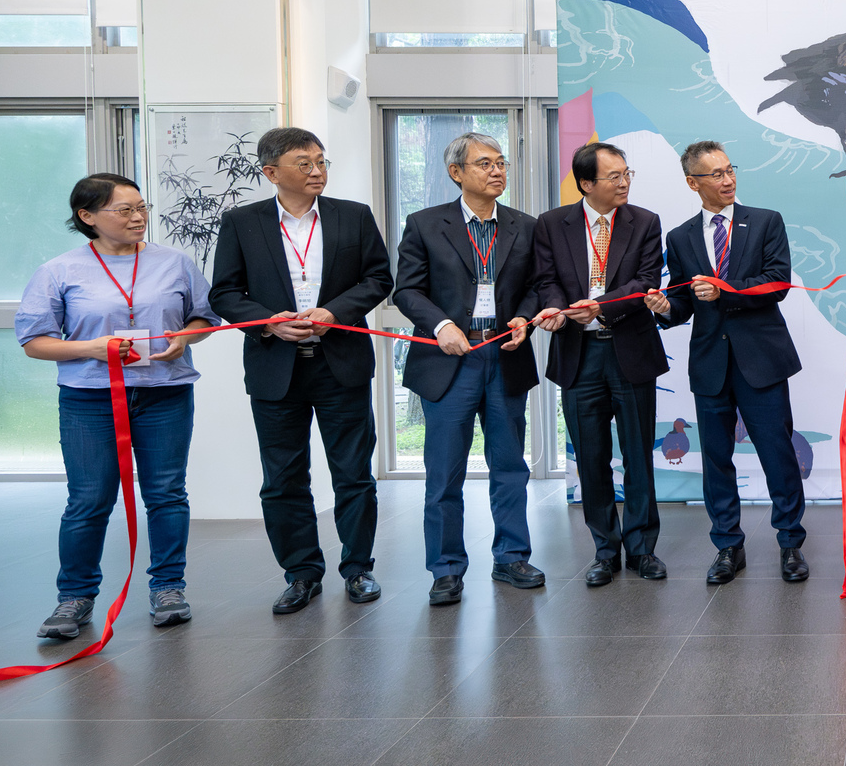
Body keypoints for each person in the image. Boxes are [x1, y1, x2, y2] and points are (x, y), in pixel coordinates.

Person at [17, 174, 215, 639]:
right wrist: (91, 348)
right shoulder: (59, 271)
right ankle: (75, 598)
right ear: (88, 218)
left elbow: (204, 315)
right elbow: (34, 342)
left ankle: (169, 588)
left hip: (164, 391)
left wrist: (186, 336)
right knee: (89, 499)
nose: (138, 217)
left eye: (141, 207)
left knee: (166, 492)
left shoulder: (175, 263)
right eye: (123, 210)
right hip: (90, 398)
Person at [211, 127, 394, 615]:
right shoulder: (242, 222)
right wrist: (265, 324)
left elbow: (379, 277)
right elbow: (224, 293)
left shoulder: (352, 216)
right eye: (304, 163)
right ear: (271, 172)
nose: (317, 171)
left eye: (321, 161)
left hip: (341, 365)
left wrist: (335, 312)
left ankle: (358, 568)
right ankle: (301, 573)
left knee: (353, 474)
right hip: (276, 368)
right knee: (283, 478)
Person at [645, 141, 809, 586]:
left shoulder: (765, 222)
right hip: (711, 364)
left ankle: (790, 542)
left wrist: (724, 289)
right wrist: (664, 307)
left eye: (730, 169)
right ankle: (727, 546)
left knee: (778, 452)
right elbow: (683, 301)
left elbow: (776, 283)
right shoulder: (679, 237)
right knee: (716, 459)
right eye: (715, 174)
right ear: (692, 183)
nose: (728, 180)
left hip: (761, 359)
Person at [392, 131, 542, 606]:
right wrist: (440, 325)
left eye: (501, 163)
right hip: (448, 359)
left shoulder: (525, 225)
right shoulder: (423, 224)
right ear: (456, 173)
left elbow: (539, 285)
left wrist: (525, 316)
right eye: (484, 164)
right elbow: (407, 291)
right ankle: (446, 568)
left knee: (509, 466)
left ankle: (512, 556)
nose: (497, 171)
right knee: (444, 475)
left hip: (504, 356)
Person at [533, 141, 669, 584]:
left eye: (628, 173)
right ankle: (604, 550)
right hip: (578, 355)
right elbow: (547, 280)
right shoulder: (553, 224)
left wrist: (600, 306)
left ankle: (643, 549)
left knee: (637, 454)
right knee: (591, 457)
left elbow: (646, 280)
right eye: (614, 176)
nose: (625, 182)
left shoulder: (645, 222)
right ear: (586, 183)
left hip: (629, 349)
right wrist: (556, 308)